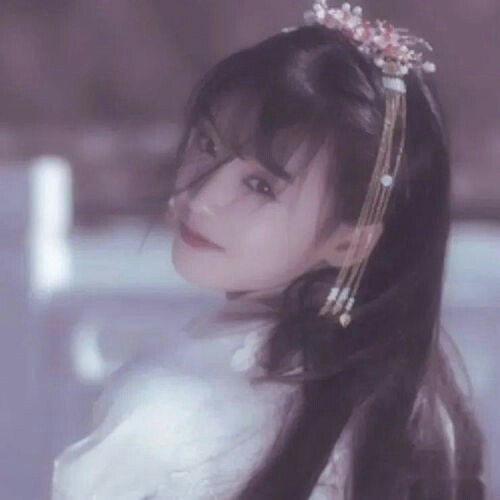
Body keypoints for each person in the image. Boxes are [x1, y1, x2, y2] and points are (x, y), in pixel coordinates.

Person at [51, 1, 485, 498]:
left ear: (349, 241)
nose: (203, 196)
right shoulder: (423, 407)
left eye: (260, 185)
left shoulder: (169, 405)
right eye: (208, 145)